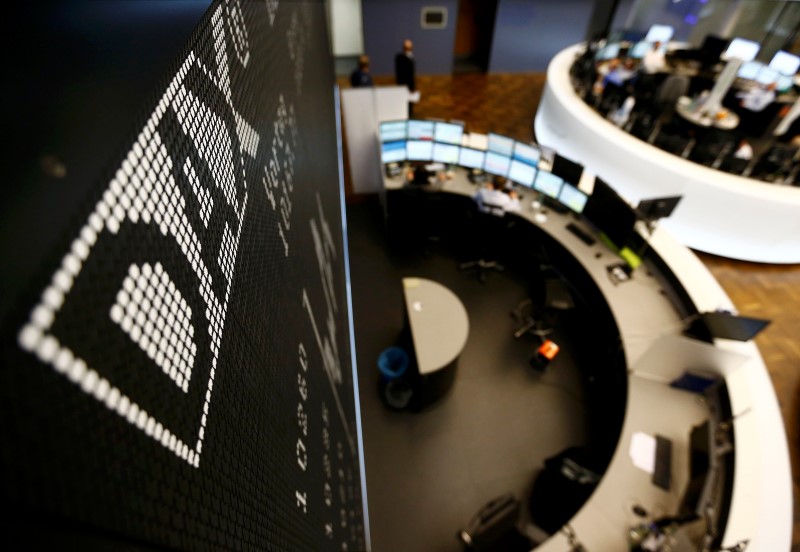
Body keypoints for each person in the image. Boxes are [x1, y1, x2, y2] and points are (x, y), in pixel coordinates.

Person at [395, 39, 416, 116]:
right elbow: (406, 75)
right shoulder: (400, 58)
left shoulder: (410, 57)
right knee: (405, 105)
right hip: (404, 86)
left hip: (408, 86)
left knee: (410, 105)